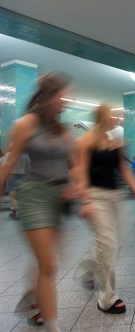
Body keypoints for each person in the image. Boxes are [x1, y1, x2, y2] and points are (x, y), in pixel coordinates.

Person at [0, 73, 76, 332]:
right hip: (34, 196)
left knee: (47, 261)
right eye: (62, 96)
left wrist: (77, 188)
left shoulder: (63, 129)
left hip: (59, 198)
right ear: (48, 97)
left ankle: (33, 295)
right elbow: (8, 164)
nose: (66, 102)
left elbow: (74, 166)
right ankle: (52, 325)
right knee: (49, 265)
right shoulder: (25, 125)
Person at [75, 105, 135, 314]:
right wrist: (85, 201)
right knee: (108, 246)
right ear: (101, 118)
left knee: (111, 246)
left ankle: (91, 269)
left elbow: (123, 169)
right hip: (95, 197)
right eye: (111, 115)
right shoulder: (84, 142)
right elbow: (80, 172)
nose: (115, 119)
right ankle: (107, 299)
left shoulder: (115, 142)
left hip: (114, 198)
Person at [3, 147, 30, 219]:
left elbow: (5, 166)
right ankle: (18, 211)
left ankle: (18, 213)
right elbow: (28, 167)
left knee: (13, 198)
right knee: (20, 197)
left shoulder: (9, 155)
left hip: (12, 176)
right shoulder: (25, 155)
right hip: (22, 177)